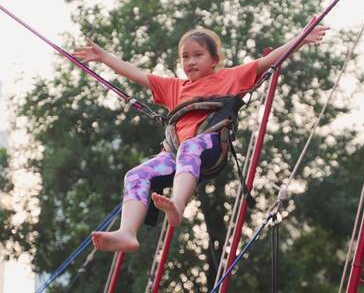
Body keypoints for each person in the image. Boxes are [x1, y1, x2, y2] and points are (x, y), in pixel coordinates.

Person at [73, 18, 329, 253]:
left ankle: (178, 204)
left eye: (198, 55)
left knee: (189, 148)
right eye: (185, 57)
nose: (190, 62)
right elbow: (135, 74)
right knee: (136, 174)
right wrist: (103, 56)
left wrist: (301, 38)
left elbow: (268, 61)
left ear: (215, 59)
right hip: (175, 154)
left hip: (209, 146)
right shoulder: (174, 88)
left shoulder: (230, 78)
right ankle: (128, 232)